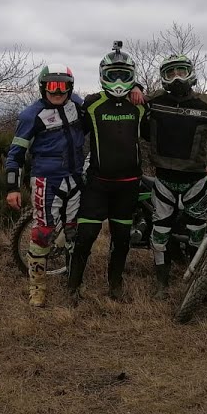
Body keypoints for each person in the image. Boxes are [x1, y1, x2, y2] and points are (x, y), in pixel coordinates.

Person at [141, 55, 207, 300]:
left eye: (181, 71)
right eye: (171, 72)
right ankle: (162, 285)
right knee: (160, 233)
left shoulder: (205, 102)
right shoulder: (154, 100)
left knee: (198, 232)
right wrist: (135, 88)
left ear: (191, 73)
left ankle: (199, 283)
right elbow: (129, 103)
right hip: (163, 177)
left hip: (195, 178)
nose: (177, 77)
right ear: (163, 77)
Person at [67, 42, 147, 305]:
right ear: (103, 75)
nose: (119, 80)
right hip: (98, 184)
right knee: (85, 238)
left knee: (122, 241)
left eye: (125, 75)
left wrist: (140, 88)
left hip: (128, 185)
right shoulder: (91, 104)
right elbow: (70, 130)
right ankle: (72, 289)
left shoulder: (140, 105)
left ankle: (115, 286)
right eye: (113, 75)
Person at [5, 64, 86, 307]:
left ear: (70, 87)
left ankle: (74, 284)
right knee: (42, 233)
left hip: (76, 177)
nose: (58, 91)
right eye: (52, 85)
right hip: (46, 180)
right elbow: (15, 153)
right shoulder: (31, 115)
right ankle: (37, 289)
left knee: (74, 232)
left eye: (62, 85)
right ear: (43, 86)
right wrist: (12, 188)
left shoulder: (78, 105)